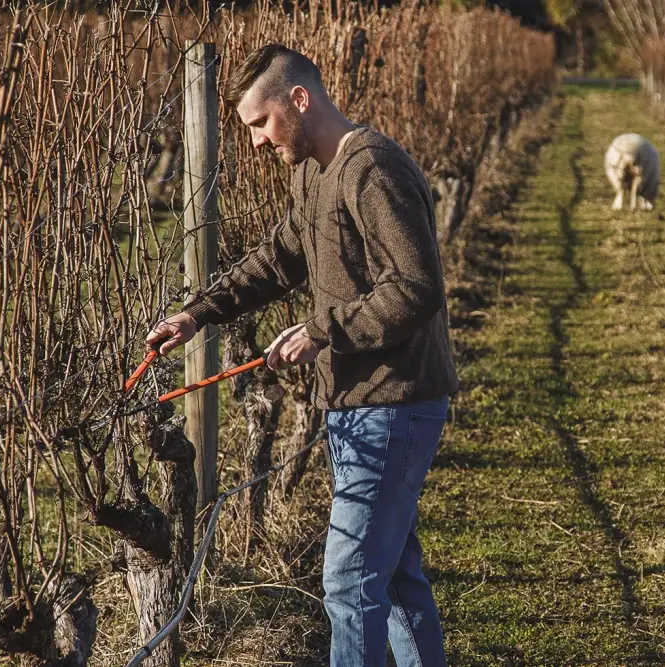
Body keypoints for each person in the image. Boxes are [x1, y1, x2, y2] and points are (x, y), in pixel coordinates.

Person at [144, 44, 458, 667]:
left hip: (393, 403)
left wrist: (323, 330)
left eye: (261, 123)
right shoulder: (314, 172)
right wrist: (195, 314)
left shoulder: (373, 169)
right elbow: (279, 257)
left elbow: (417, 287)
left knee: (348, 582)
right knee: (391, 577)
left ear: (300, 99)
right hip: (357, 404)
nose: (256, 142)